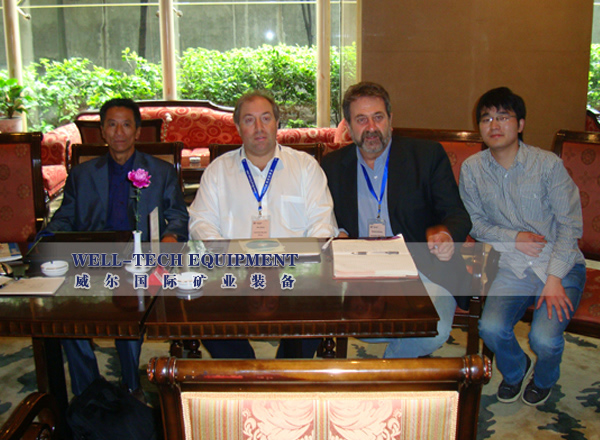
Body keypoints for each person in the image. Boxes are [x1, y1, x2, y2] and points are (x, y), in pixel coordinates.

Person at [44, 98, 189, 398]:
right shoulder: (83, 174)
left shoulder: (161, 172)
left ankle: (131, 386)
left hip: (143, 261)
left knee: (130, 308)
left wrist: (170, 240)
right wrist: (43, 243)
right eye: (112, 125)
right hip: (92, 261)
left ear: (137, 131)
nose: (119, 132)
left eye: (126, 125)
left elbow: (177, 216)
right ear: (102, 131)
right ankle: (89, 391)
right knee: (66, 316)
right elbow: (65, 218)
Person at [321, 81, 472, 358]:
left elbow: (456, 213)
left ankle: (386, 371)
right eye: (361, 119)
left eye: (378, 117)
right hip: (362, 271)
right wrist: (338, 232)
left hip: (422, 267)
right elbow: (325, 218)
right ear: (348, 126)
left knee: (433, 330)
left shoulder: (426, 156)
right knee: (344, 319)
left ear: (391, 119)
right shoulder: (332, 166)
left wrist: (447, 235)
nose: (371, 128)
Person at [459, 87, 586, 406]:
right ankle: (516, 370)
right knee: (490, 328)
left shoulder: (547, 165)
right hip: (511, 264)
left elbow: (570, 226)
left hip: (560, 265)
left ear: (521, 124)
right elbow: (474, 223)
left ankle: (544, 379)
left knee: (544, 339)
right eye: (486, 118)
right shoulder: (472, 169)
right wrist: (513, 237)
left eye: (503, 117)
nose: (494, 125)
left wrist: (555, 279)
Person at [188, 90, 338, 359]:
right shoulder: (218, 171)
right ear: (238, 127)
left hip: (294, 270)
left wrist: (298, 262)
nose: (259, 127)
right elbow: (201, 220)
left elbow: (323, 224)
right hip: (234, 270)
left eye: (266, 118)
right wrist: (225, 253)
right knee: (202, 306)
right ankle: (242, 368)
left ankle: (286, 369)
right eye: (249, 120)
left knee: (319, 305)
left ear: (277, 123)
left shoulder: (305, 166)